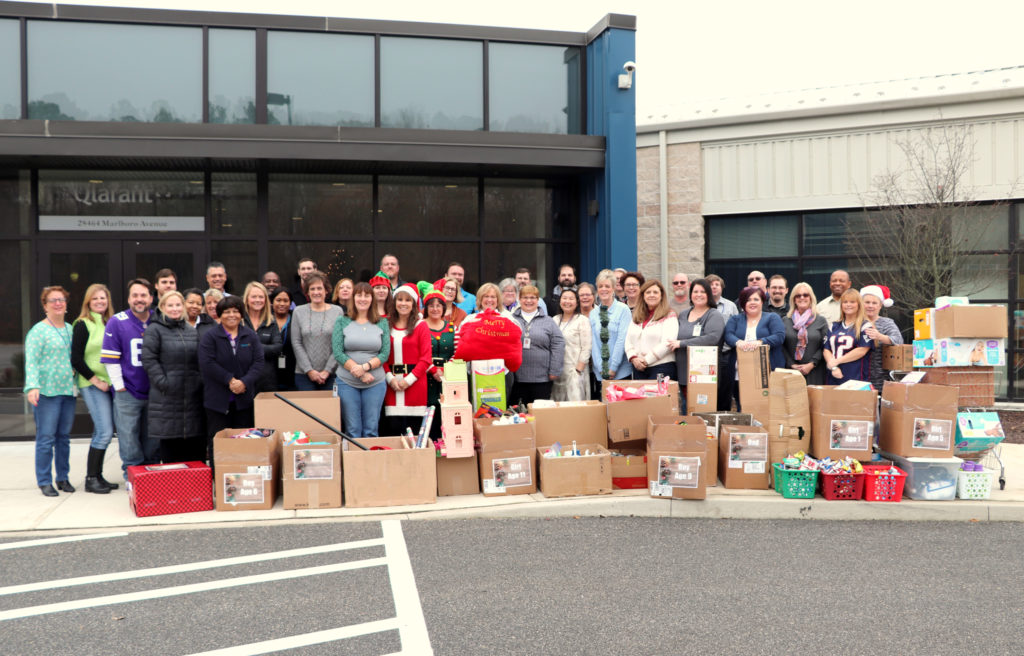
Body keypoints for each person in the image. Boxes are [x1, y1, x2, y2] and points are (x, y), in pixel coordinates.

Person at [199, 295, 264, 464]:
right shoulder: (210, 336)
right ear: (219, 315)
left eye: (235, 311)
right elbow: (207, 363)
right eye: (226, 312)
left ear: (241, 314)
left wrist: (244, 382)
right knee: (218, 442)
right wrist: (229, 380)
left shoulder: (250, 336)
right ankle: (218, 478)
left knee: (243, 440)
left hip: (244, 399)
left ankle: (241, 476)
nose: (231, 315)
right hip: (217, 401)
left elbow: (258, 362)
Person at [141, 291, 205, 464]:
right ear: (162, 307)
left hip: (191, 397)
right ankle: (175, 488)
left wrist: (199, 380)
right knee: (171, 445)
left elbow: (199, 359)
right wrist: (164, 383)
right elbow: (148, 359)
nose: (175, 309)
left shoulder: (191, 330)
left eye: (178, 305)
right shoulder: (155, 330)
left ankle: (194, 487)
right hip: (167, 397)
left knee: (193, 445)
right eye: (170, 305)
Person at [102, 279, 159, 474]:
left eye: (143, 295)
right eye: (135, 295)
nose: (139, 299)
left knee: (153, 436)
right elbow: (111, 358)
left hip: (155, 390)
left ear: (151, 298)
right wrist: (118, 385)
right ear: (128, 299)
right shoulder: (117, 322)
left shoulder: (159, 319)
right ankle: (132, 474)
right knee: (128, 436)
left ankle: (149, 473)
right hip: (128, 390)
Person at [24, 286, 76, 497]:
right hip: (46, 392)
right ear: (45, 305)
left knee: (63, 437)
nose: (58, 303)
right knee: (46, 438)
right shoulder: (38, 331)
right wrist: (32, 386)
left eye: (61, 300)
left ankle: (62, 477)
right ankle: (44, 480)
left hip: (67, 391)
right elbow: (32, 362)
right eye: (53, 300)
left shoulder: (71, 329)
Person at [71, 283, 118, 493]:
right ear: (88, 302)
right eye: (95, 299)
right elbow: (76, 359)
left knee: (103, 431)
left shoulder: (112, 322)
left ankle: (98, 476)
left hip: (111, 385)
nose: (100, 302)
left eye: (103, 298)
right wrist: (95, 381)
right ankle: (91, 478)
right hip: (92, 385)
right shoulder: (83, 324)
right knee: (105, 431)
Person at [332, 282, 390, 438]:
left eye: (367, 295)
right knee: (352, 430)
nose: (363, 299)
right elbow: (338, 352)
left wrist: (365, 367)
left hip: (375, 383)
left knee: (371, 429)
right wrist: (358, 372)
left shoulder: (382, 323)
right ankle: (353, 462)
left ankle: (369, 462)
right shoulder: (342, 321)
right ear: (353, 298)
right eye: (359, 295)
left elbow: (384, 353)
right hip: (347, 382)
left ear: (372, 299)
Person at [669, 278, 726, 412]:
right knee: (685, 410)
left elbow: (712, 338)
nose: (698, 295)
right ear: (691, 294)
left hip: (704, 375)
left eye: (703, 291)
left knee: (702, 412)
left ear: (709, 294)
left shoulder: (714, 315)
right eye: (695, 291)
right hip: (683, 372)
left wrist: (682, 343)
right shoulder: (683, 314)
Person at [724, 286, 786, 407]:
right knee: (742, 405)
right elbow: (728, 335)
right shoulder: (735, 319)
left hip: (767, 373)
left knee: (768, 407)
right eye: (748, 300)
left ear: (762, 301)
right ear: (743, 303)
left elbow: (779, 336)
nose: (752, 302)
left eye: (756, 299)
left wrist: (760, 342)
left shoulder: (772, 317)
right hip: (740, 374)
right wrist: (738, 342)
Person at [383, 285, 432, 435]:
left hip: (415, 387)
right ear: (394, 302)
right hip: (392, 387)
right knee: (393, 433)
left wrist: (407, 381)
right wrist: (391, 379)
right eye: (399, 299)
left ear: (414, 304)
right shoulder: (386, 324)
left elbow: (426, 359)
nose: (403, 303)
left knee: (415, 434)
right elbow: (381, 355)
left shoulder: (421, 325)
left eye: (407, 300)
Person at [511, 285, 564, 405]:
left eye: (532, 297)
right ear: (519, 299)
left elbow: (558, 344)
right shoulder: (511, 319)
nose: (529, 301)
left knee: (540, 414)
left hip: (542, 378)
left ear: (538, 300)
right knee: (519, 414)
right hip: (516, 378)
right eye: (525, 297)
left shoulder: (549, 321)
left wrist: (554, 370)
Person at [291, 271, 342, 392]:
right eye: (312, 289)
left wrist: (327, 370)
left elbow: (339, 343)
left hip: (331, 374)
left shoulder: (337, 311)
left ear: (326, 291)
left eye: (320, 288)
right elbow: (296, 342)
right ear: (307, 292)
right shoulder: (298, 311)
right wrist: (309, 370)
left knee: (329, 411)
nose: (316, 292)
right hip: (304, 374)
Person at [625, 280, 679, 381]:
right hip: (638, 368)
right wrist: (633, 358)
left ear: (661, 295)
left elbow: (667, 343)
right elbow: (628, 340)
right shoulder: (637, 315)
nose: (651, 295)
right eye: (648, 292)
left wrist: (646, 361)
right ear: (643, 295)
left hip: (662, 367)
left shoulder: (669, 315)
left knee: (657, 397)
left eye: (655, 292)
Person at [423, 290, 457, 439]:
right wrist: (433, 370)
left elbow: (458, 352)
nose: (435, 309)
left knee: (447, 417)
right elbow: (418, 353)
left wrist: (445, 369)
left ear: (444, 308)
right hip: (425, 378)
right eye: (431, 306)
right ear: (426, 308)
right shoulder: (420, 326)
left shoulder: (452, 328)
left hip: (447, 378)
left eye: (438, 305)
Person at [782, 282, 831, 386]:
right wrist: (791, 365)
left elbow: (826, 345)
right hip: (791, 372)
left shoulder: (820, 320)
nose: (802, 297)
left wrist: (812, 363)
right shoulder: (785, 320)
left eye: (805, 295)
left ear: (811, 298)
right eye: (798, 295)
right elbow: (781, 346)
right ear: (794, 299)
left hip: (815, 371)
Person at [591, 269, 633, 383]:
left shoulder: (623, 310)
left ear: (614, 288)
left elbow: (622, 340)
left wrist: (613, 368)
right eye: (600, 286)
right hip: (601, 374)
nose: (603, 289)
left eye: (607, 286)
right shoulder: (593, 313)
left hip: (621, 373)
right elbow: (593, 343)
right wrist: (601, 369)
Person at [823, 289, 872, 385]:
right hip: (833, 376)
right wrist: (834, 367)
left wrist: (837, 361)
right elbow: (826, 349)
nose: (848, 305)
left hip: (855, 378)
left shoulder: (865, 326)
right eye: (845, 302)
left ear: (859, 305)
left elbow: (862, 350)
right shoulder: (834, 325)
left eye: (852, 302)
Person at [860, 284, 904, 390]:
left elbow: (899, 341)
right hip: (857, 378)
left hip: (880, 379)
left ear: (880, 306)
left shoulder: (887, 323)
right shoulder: (855, 322)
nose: (870, 306)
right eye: (867, 302)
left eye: (874, 303)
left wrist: (879, 336)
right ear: (861, 304)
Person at [243, 281, 283, 393]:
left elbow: (278, 348)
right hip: (243, 378)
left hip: (266, 379)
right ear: (246, 299)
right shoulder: (239, 321)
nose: (257, 300)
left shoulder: (271, 322)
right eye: (254, 297)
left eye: (261, 297)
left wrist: (254, 347)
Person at [552, 288, 591, 401]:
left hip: (574, 370)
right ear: (560, 301)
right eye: (564, 298)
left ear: (577, 302)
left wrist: (578, 370)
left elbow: (586, 347)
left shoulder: (582, 320)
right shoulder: (554, 320)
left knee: (575, 405)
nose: (567, 301)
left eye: (571, 298)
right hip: (557, 371)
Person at [707, 273, 739, 411]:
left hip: (726, 353)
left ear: (722, 287)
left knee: (725, 389)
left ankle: (723, 418)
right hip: (706, 354)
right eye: (711, 284)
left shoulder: (730, 305)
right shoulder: (702, 305)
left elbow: (738, 326)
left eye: (717, 284)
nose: (714, 287)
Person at [270, 287, 296, 392]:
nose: (282, 304)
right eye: (278, 300)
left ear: (290, 303)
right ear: (272, 302)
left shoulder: (295, 319)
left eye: (285, 301)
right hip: (270, 370)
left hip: (292, 369)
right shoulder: (266, 320)